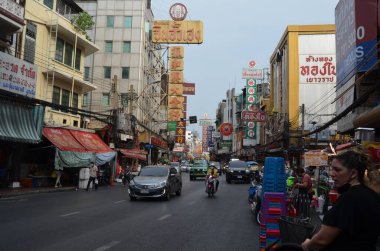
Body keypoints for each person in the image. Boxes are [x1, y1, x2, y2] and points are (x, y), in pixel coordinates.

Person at [301, 149, 380, 251]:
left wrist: (308, 245)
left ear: (353, 173)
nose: (332, 174)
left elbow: (322, 240)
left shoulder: (350, 198)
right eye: (332, 169)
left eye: (337, 170)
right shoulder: (370, 194)